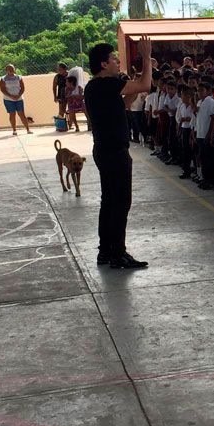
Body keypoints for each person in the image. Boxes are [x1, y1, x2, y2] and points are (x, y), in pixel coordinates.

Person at [83, 37, 152, 269]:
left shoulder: (94, 87)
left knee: (109, 201)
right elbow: (145, 86)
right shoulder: (107, 85)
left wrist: (128, 84)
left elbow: (124, 102)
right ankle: (118, 253)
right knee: (121, 203)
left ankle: (105, 251)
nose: (117, 62)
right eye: (113, 59)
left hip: (103, 149)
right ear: (103, 64)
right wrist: (146, 59)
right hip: (115, 151)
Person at [0, 65, 32, 135]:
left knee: (21, 114)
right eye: (9, 69)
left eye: (12, 68)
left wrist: (18, 96)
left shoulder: (18, 77)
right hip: (8, 100)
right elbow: (2, 89)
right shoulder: (3, 79)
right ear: (6, 71)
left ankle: (28, 129)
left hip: (19, 99)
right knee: (12, 114)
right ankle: (14, 130)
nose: (11, 70)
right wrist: (11, 96)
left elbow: (22, 88)